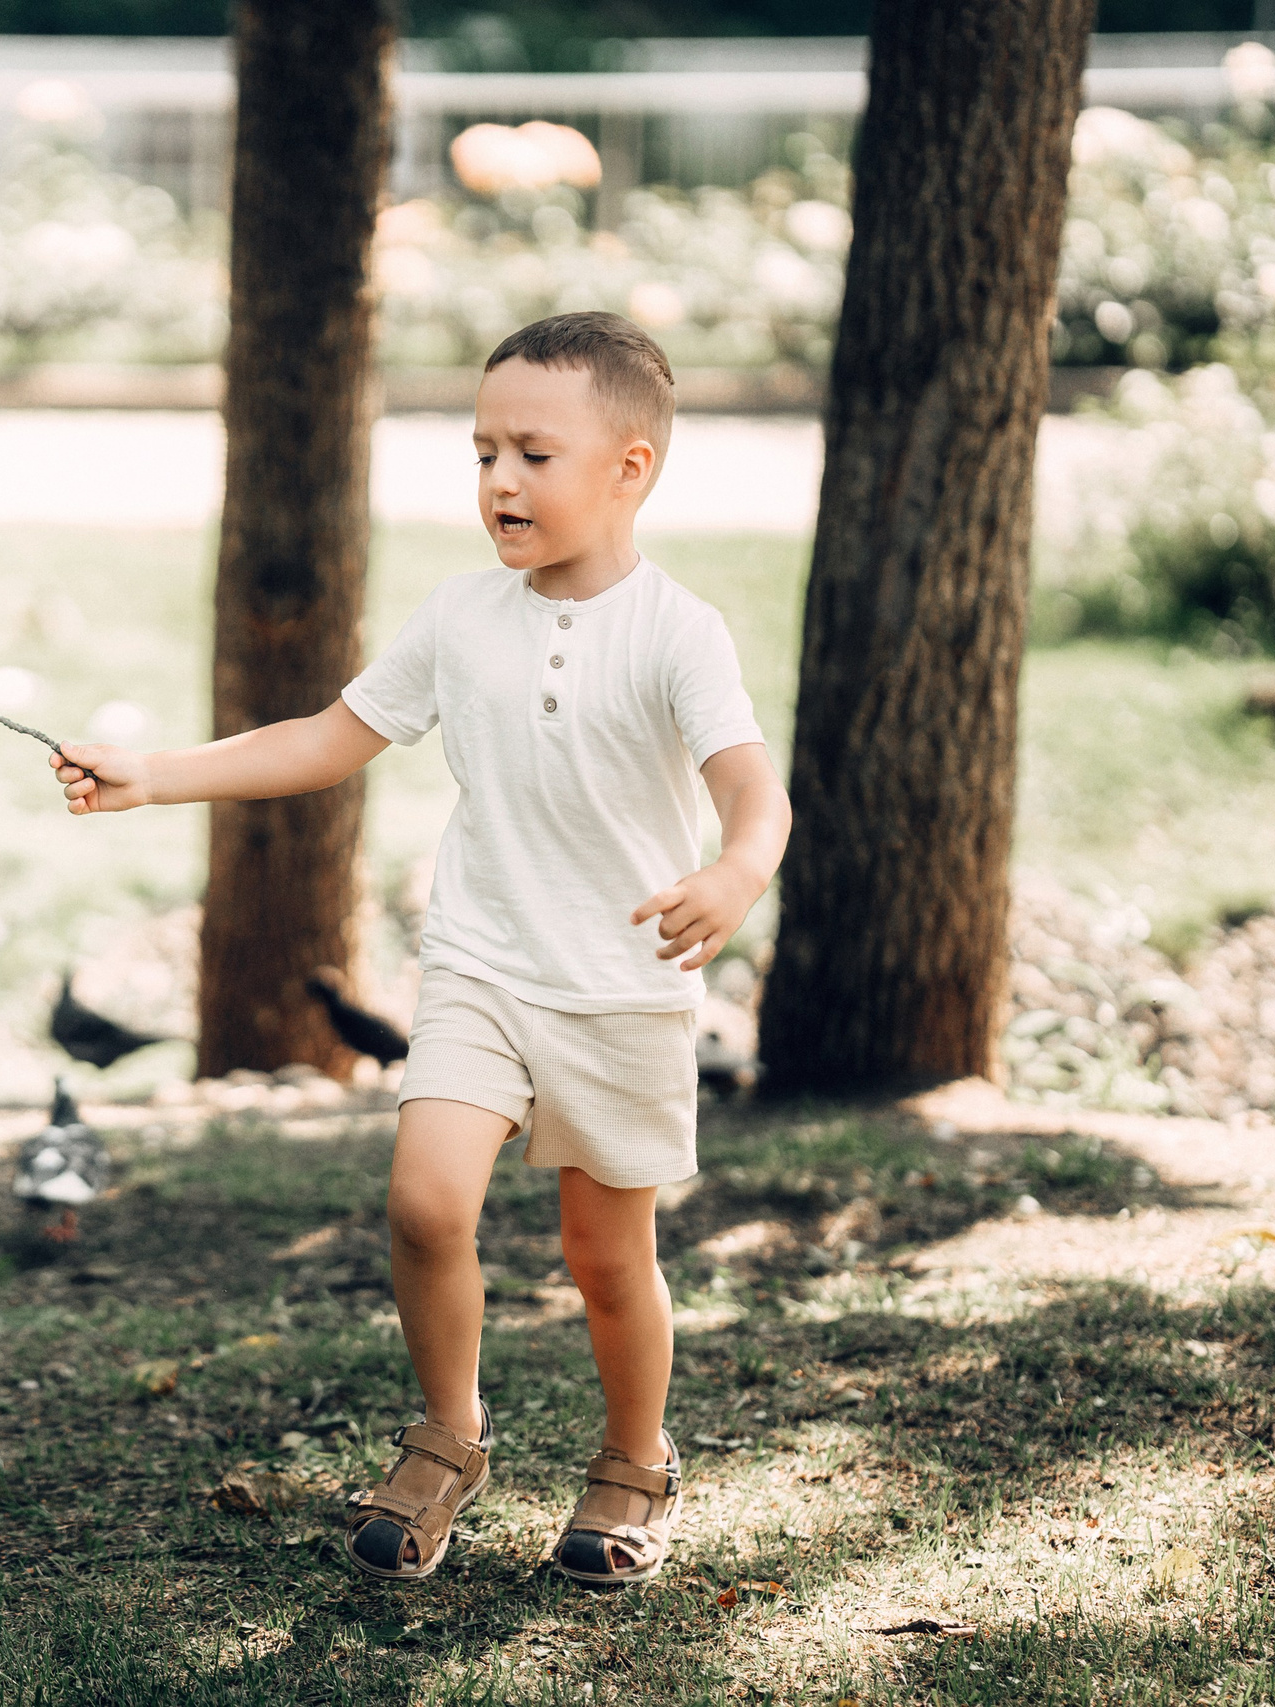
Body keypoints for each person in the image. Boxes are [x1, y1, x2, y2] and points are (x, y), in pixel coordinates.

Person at [46, 311, 791, 1587]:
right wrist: (153, 775)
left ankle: (635, 1459)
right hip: (480, 970)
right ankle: (449, 1435)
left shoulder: (678, 630)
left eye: (534, 455)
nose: (500, 480)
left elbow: (752, 791)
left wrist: (734, 872)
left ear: (631, 468)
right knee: (425, 1203)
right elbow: (325, 738)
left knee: (607, 1258)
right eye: (483, 452)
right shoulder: (461, 616)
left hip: (619, 988)